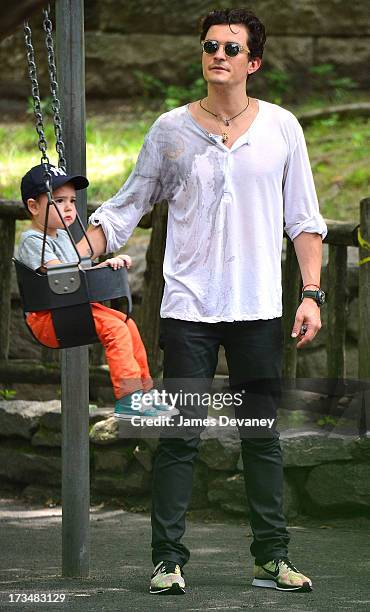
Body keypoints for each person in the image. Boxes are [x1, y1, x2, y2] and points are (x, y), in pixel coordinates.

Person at [82, 7, 328, 595]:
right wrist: (74, 251)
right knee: (181, 436)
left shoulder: (282, 128)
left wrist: (312, 293)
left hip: (259, 309)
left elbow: (305, 220)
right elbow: (126, 205)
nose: (218, 54)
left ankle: (271, 558)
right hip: (190, 310)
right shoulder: (171, 131)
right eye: (210, 45)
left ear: (253, 62)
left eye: (231, 47)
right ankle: (168, 560)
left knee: (261, 437)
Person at [18, 163, 176, 420]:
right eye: (59, 201)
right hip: (50, 318)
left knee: (127, 324)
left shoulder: (62, 238)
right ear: (34, 206)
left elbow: (79, 271)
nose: (69, 207)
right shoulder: (32, 241)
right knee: (115, 329)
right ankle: (128, 397)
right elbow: (62, 277)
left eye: (71, 200)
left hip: (71, 309)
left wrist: (105, 265)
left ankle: (143, 392)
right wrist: (95, 269)